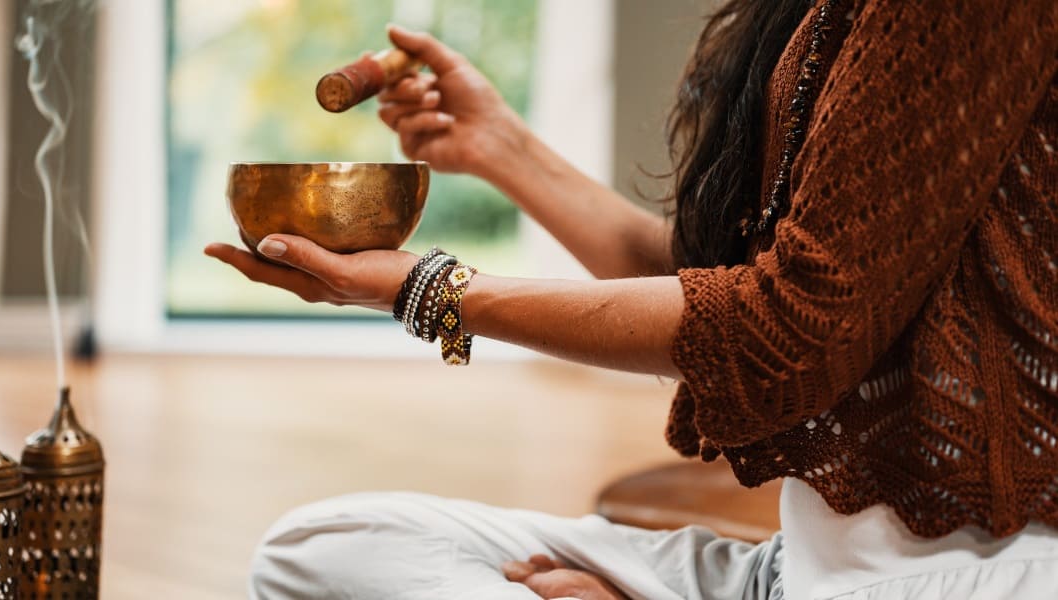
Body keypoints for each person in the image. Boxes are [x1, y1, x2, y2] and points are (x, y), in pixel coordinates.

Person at [205, 0, 1058, 598]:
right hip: (789, 572)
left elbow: (787, 329)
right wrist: (502, 149)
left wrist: (434, 291)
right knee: (322, 549)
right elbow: (712, 285)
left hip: (961, 582)